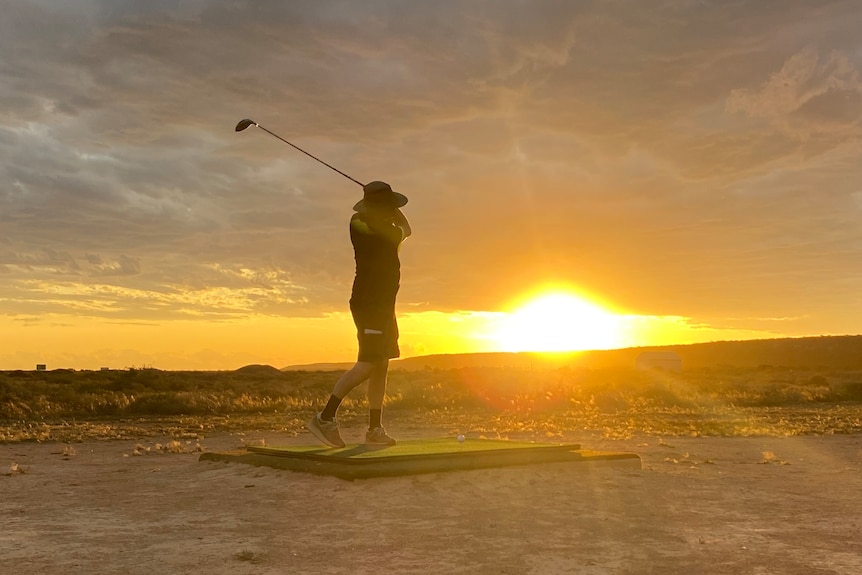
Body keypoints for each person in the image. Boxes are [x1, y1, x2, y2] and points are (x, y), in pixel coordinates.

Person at [306, 181, 412, 448]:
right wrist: (388, 208)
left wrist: (384, 205)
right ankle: (324, 417)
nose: (392, 211)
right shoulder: (361, 225)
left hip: (384, 305)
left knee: (382, 364)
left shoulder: (382, 225)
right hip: (369, 304)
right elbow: (403, 227)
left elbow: (406, 229)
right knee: (369, 364)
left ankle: (375, 429)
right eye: (389, 207)